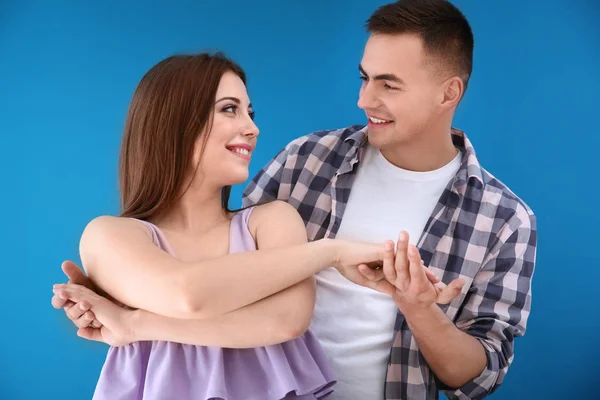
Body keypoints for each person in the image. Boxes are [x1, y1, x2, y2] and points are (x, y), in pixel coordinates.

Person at [50, 52, 420, 400]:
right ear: (175, 121)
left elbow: (284, 323)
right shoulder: (110, 235)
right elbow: (188, 294)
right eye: (230, 109)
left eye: (250, 112)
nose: (253, 128)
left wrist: (135, 327)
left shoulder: (271, 221)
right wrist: (328, 252)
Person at [242, 1, 537, 399]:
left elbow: (479, 377)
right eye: (364, 78)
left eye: (389, 84)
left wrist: (419, 309)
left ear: (449, 93)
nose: (365, 99)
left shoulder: (505, 219)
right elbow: (227, 265)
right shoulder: (305, 159)